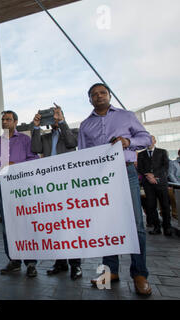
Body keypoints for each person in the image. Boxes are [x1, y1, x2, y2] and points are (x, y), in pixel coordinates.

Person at [78, 83, 152, 296]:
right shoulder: (85, 125)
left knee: (136, 223)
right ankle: (110, 272)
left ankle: (140, 274)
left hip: (125, 172)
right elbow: (82, 153)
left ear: (109, 95)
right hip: (99, 178)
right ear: (90, 100)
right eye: (94, 94)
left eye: (102, 93)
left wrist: (127, 141)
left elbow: (146, 139)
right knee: (105, 225)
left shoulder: (127, 116)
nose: (98, 96)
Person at [31, 104, 82, 280]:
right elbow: (35, 149)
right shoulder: (44, 138)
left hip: (67, 185)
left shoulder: (72, 131)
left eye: (55, 116)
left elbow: (72, 143)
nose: (52, 120)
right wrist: (36, 126)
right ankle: (60, 262)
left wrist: (62, 122)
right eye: (49, 118)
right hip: (50, 186)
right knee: (55, 226)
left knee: (70, 225)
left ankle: (76, 265)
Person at [0, 110, 39, 277]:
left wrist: (14, 165)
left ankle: (31, 262)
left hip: (23, 186)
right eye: (3, 119)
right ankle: (14, 260)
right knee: (8, 225)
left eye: (8, 119)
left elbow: (34, 159)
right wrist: (1, 168)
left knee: (26, 222)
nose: (5, 122)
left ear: (15, 122)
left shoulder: (25, 140)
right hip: (3, 187)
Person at [137, 136, 172, 236]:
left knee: (165, 205)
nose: (149, 142)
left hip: (161, 183)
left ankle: (167, 227)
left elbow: (165, 167)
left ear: (155, 141)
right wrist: (148, 176)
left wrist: (154, 175)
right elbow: (140, 168)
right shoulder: (141, 154)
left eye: (151, 140)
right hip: (148, 185)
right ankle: (156, 227)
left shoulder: (162, 152)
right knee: (151, 207)